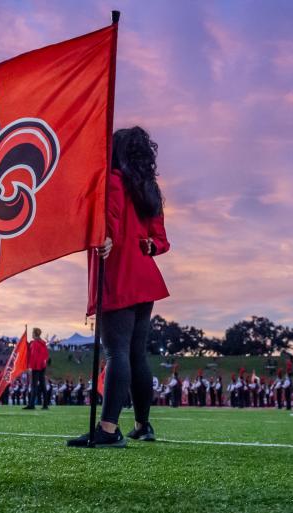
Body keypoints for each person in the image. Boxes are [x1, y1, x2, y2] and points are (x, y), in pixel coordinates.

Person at [68, 127, 170, 448]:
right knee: (136, 354)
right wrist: (146, 245)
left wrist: (109, 237)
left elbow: (108, 221)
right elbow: (161, 241)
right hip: (146, 279)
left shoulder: (113, 180)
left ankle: (109, 429)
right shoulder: (149, 190)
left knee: (116, 352)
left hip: (120, 274)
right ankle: (143, 424)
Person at [25, 327, 50, 410]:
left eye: (32, 333)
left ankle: (32, 404)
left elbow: (33, 356)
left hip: (36, 366)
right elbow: (46, 355)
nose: (31, 334)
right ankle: (45, 405)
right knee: (43, 385)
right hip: (42, 366)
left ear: (35, 334)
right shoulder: (42, 343)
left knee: (34, 386)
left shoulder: (35, 343)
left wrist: (30, 367)